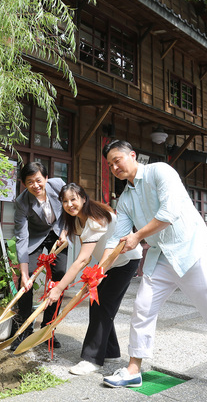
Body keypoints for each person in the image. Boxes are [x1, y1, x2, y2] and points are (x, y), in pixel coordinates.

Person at [100, 139, 207, 399]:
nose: (115, 167)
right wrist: (98, 271)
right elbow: (118, 239)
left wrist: (137, 237)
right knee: (143, 308)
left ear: (133, 155)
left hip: (192, 250)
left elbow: (168, 213)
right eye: (110, 164)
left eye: (118, 160)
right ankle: (133, 370)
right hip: (161, 256)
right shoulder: (125, 199)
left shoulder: (161, 171)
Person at [44, 183, 142, 375]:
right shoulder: (79, 220)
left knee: (103, 305)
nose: (69, 204)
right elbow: (87, 257)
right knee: (97, 304)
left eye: (73, 199)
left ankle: (92, 359)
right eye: (65, 201)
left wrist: (58, 288)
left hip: (124, 261)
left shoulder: (94, 219)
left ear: (83, 198)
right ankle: (110, 351)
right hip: (107, 263)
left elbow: (81, 260)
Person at [12, 161, 68, 350]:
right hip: (35, 237)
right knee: (25, 281)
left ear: (45, 178)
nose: (35, 185)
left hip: (58, 232)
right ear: (24, 184)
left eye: (38, 180)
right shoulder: (21, 202)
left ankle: (47, 330)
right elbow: (21, 236)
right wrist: (25, 274)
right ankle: (24, 330)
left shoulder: (59, 185)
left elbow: (71, 208)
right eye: (30, 182)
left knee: (59, 275)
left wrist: (65, 231)